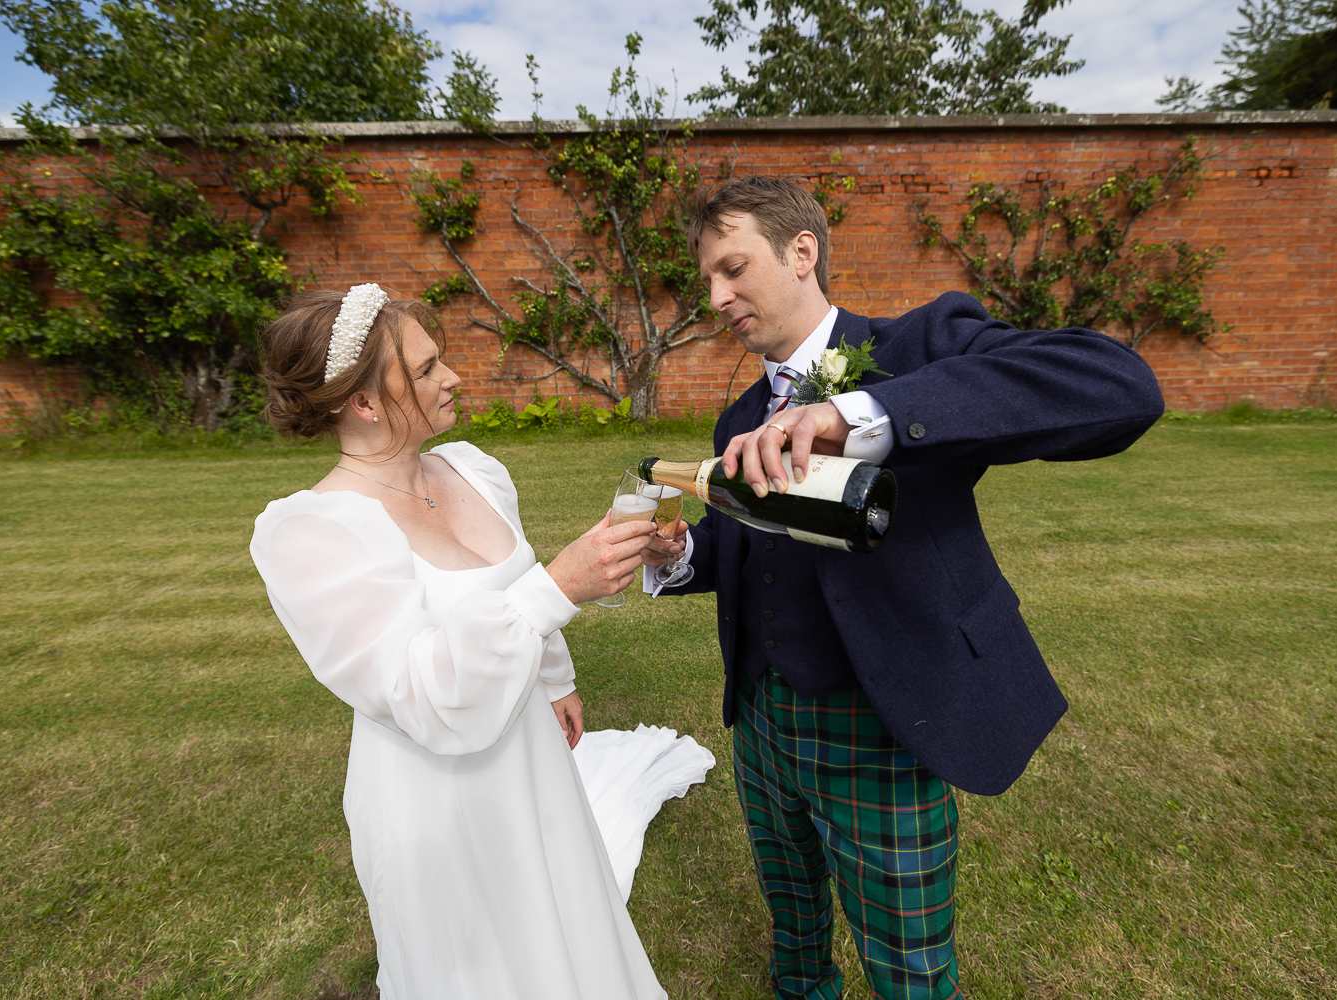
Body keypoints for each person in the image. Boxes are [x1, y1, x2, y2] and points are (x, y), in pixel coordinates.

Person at [641, 177, 1165, 1000]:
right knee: (793, 921)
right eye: (707, 278)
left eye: (733, 269)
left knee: (908, 962)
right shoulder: (740, 416)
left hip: (881, 719)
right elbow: (747, 547)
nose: (716, 298)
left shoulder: (918, 348)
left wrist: (860, 415)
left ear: (802, 252)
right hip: (762, 721)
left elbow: (1120, 387)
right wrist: (677, 555)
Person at [248, 285, 667, 1000]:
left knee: (561, 922)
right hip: (436, 795)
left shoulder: (472, 470)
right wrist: (561, 585)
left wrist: (555, 679)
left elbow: (516, 582)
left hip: (529, 750)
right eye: (426, 368)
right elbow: (418, 691)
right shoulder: (313, 533)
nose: (453, 377)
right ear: (366, 403)